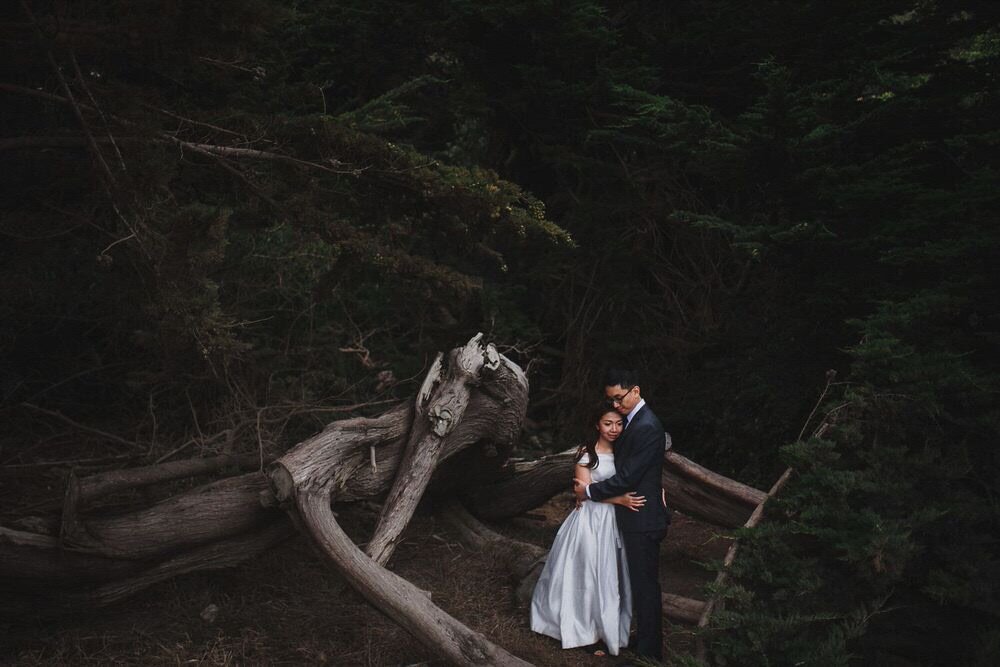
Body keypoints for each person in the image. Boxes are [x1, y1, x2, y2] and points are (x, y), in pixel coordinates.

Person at [531, 403, 647, 657]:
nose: (614, 429)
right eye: (608, 423)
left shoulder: (624, 452)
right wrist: (619, 499)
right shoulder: (588, 453)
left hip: (616, 521)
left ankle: (610, 626)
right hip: (591, 520)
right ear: (598, 425)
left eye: (618, 424)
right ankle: (583, 629)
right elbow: (581, 492)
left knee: (611, 573)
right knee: (587, 572)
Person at [574, 369, 670, 662]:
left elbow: (628, 476)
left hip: (642, 516)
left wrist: (589, 492)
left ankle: (649, 653)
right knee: (639, 584)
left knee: (645, 586)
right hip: (634, 514)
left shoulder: (647, 426)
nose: (615, 405)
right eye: (611, 400)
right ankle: (643, 641)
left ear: (636, 391)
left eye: (619, 398)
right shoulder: (634, 422)